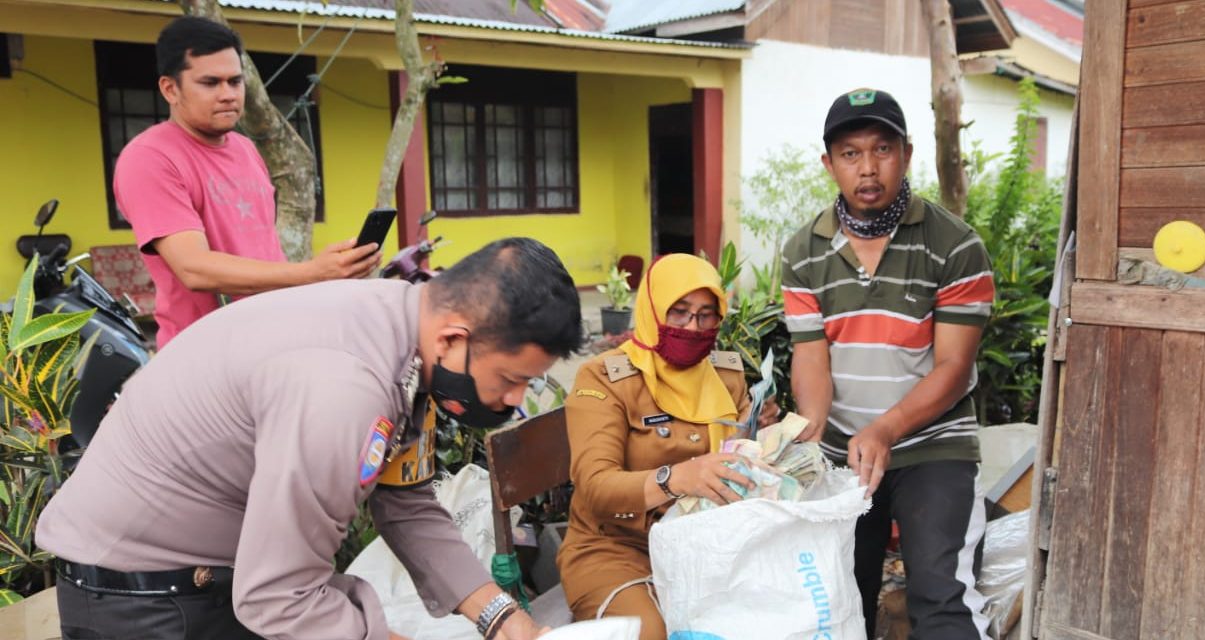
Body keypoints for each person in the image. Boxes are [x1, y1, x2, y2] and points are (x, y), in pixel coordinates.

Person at [36, 238, 581, 640]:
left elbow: (406, 501)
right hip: (144, 606)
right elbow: (279, 596)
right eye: (511, 380)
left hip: (209, 583)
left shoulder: (404, 334)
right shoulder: (345, 388)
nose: (514, 401)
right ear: (455, 337)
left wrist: (502, 619)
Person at [782, 88, 996, 639]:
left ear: (907, 153)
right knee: (838, 596)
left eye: (882, 149)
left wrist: (884, 429)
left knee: (940, 594)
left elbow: (952, 368)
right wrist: (805, 435)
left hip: (933, 446)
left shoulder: (955, 246)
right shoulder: (803, 252)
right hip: (842, 453)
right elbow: (811, 362)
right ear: (829, 164)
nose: (868, 168)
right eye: (851, 154)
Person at [114, 16, 380, 349]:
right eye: (210, 83)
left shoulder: (245, 149)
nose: (228, 94)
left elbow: (263, 253)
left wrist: (331, 273)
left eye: (235, 81)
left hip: (274, 340)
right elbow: (194, 268)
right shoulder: (150, 158)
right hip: (206, 355)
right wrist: (313, 271)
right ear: (170, 89)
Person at [557, 254, 775, 640]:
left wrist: (762, 438)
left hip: (706, 546)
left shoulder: (725, 374)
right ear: (653, 309)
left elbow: (738, 463)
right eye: (679, 312)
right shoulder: (606, 378)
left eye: (707, 315)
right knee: (651, 632)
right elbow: (595, 487)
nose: (694, 327)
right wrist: (677, 478)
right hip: (615, 550)